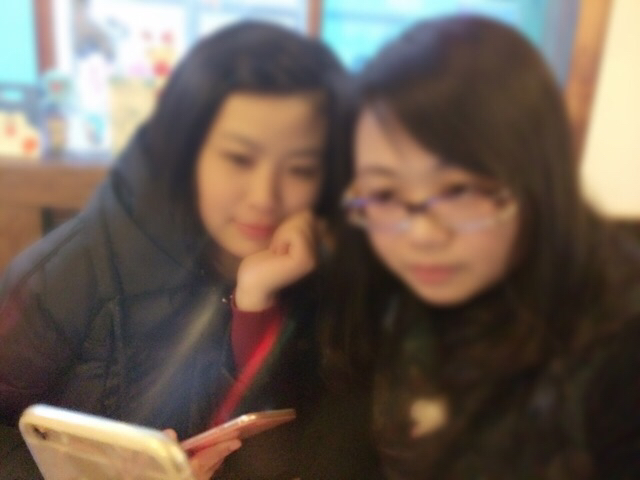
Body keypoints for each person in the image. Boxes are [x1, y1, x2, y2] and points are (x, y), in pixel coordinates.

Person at [0, 21, 378, 479]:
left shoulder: (315, 274)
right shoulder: (80, 266)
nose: (265, 196)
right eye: (238, 158)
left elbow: (282, 456)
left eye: (301, 168)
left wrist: (255, 301)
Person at [322, 15, 640, 479]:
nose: (422, 235)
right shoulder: (392, 283)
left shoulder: (620, 349)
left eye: (460, 190)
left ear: (538, 179)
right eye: (386, 193)